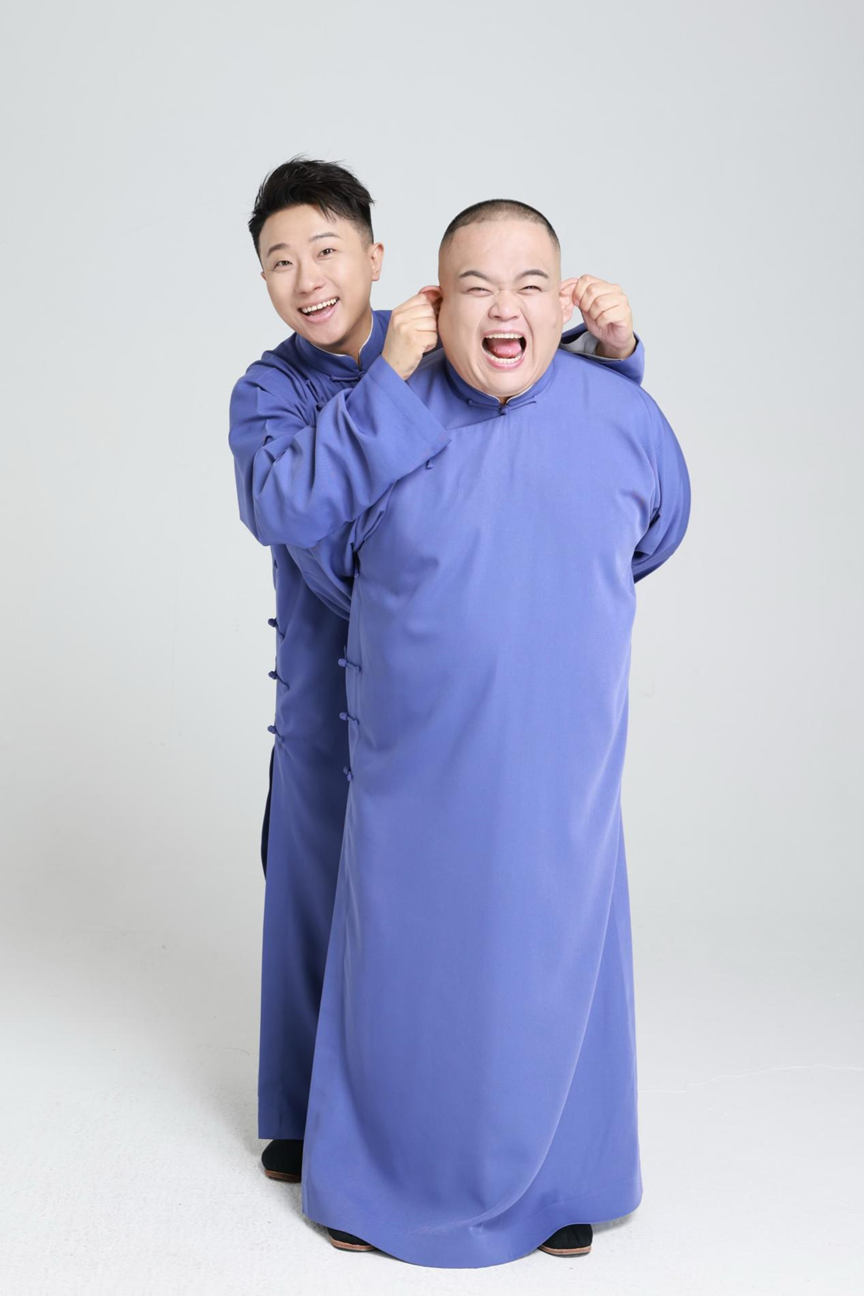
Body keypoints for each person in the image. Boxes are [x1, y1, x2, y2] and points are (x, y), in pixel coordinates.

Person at [228, 157, 649, 1191]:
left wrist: (619, 351)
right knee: (314, 905)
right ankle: (305, 1113)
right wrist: (388, 382)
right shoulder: (270, 390)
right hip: (327, 701)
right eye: (281, 262)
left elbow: (533, 393)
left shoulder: (437, 339)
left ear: (378, 259)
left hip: (438, 699)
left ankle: (446, 1123)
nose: (309, 279)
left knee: (425, 939)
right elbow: (283, 503)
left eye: (327, 250)